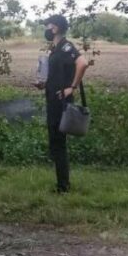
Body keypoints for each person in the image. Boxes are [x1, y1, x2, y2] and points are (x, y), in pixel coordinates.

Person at [36, 14, 89, 193]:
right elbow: (58, 73)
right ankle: (62, 184)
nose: (46, 29)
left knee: (58, 143)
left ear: (56, 28)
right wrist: (44, 83)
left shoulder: (66, 46)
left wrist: (71, 87)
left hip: (60, 101)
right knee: (55, 142)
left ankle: (63, 187)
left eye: (48, 25)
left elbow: (83, 63)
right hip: (52, 98)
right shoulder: (56, 49)